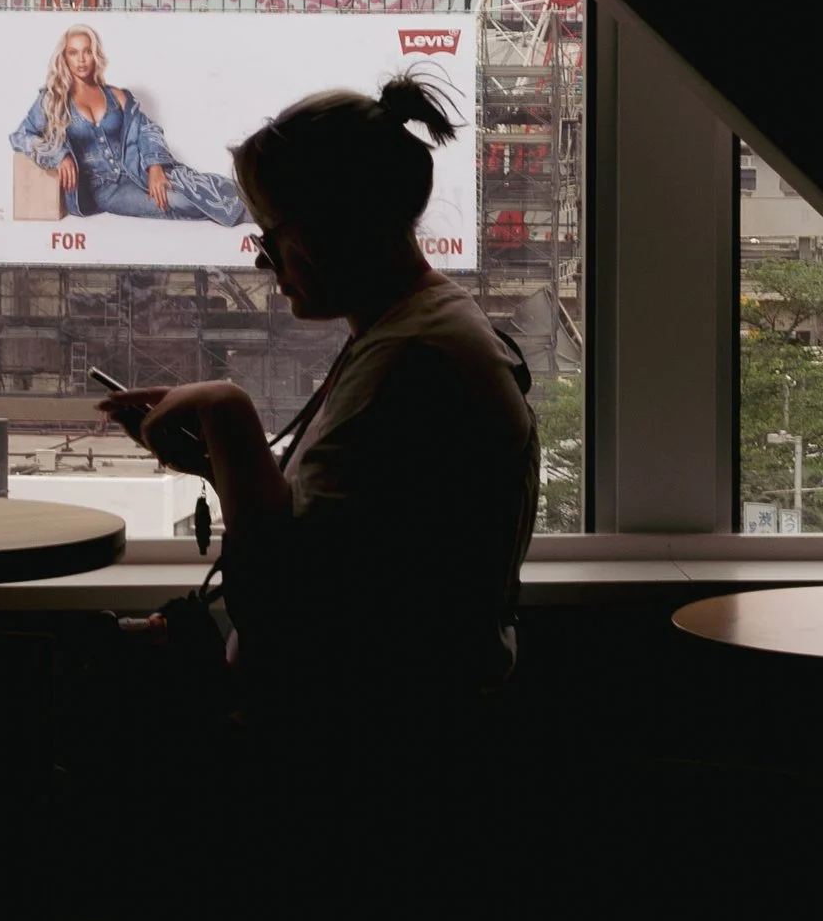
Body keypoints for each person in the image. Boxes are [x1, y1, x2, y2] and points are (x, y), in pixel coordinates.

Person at [97, 73, 539, 730]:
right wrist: (221, 462)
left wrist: (228, 412)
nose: (262, 264)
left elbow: (281, 605)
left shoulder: (410, 367)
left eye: (269, 236)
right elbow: (352, 546)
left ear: (327, 226)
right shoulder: (419, 331)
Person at [7, 23, 247, 225]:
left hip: (138, 171)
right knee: (178, 202)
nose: (81, 60)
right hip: (105, 189)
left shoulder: (116, 95)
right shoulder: (52, 99)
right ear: (64, 57)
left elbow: (147, 130)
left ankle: (263, 201)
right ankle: (257, 215)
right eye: (73, 52)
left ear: (96, 55)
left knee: (201, 185)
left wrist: (154, 167)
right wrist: (60, 156)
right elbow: (21, 135)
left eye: (87, 51)